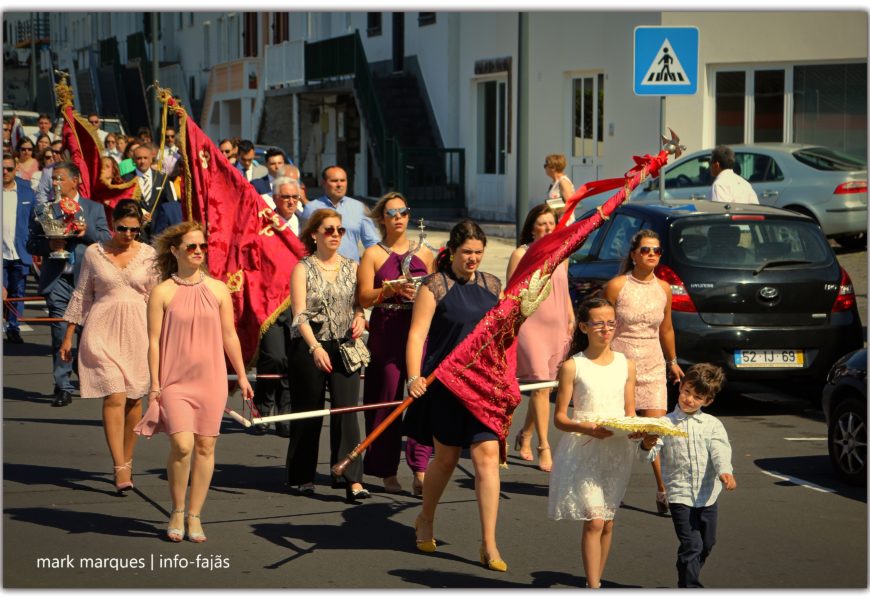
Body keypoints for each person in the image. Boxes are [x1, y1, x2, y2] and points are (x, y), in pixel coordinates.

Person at [135, 221, 254, 543]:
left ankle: (195, 515)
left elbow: (230, 335)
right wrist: (155, 385)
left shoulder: (218, 289)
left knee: (205, 446)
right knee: (182, 445)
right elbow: (153, 341)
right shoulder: (162, 292)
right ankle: (176, 509)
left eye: (203, 246)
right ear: (175, 251)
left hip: (212, 380)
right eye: (191, 246)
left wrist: (242, 375)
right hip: (174, 381)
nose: (199, 251)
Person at [404, 219, 507, 572]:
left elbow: (500, 337)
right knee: (446, 459)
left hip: (482, 386)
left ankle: (489, 542)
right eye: (467, 252)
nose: (473, 259)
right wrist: (414, 376)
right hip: (445, 385)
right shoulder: (434, 285)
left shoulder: (493, 285)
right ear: (453, 250)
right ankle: (426, 518)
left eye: (479, 253)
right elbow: (417, 335)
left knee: (488, 456)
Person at [59, 200, 158, 493]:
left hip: (138, 331)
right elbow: (82, 295)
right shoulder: (93, 253)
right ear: (112, 224)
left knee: (133, 400)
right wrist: (68, 335)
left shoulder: (149, 254)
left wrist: (164, 335)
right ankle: (119, 465)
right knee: (114, 393)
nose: (128, 234)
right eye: (122, 228)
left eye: (134, 230)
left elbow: (157, 298)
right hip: (101, 330)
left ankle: (127, 460)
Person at [548, 297, 642, 589]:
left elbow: (630, 413)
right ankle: (595, 587)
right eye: (599, 323)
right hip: (584, 449)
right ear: (584, 327)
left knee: (609, 520)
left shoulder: (626, 364)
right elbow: (560, 419)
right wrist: (585, 427)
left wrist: (640, 430)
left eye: (611, 323)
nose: (606, 329)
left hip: (616, 450)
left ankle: (594, 581)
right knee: (595, 519)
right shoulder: (573, 366)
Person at [285, 208, 370, 500]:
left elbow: (358, 305)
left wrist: (360, 317)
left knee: (347, 413)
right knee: (309, 412)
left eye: (340, 230)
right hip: (310, 345)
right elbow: (299, 315)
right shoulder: (303, 268)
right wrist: (315, 347)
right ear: (315, 234)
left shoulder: (352, 266)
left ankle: (351, 477)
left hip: (345, 345)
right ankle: (301, 475)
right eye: (329, 230)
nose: (336, 235)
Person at [358, 192, 434, 495]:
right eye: (392, 213)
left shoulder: (426, 253)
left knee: (421, 398)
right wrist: (389, 291)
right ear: (382, 219)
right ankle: (386, 470)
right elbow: (364, 297)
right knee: (386, 398)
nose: (399, 217)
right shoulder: (373, 254)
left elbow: (438, 290)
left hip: (418, 327)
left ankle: (420, 468)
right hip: (387, 328)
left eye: (404, 211)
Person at [604, 229, 684, 514]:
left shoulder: (663, 289)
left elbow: (667, 328)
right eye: (646, 250)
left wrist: (672, 361)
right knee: (622, 429)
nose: (652, 254)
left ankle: (663, 490)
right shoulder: (616, 286)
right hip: (622, 362)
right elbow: (604, 326)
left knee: (655, 429)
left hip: (652, 361)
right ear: (634, 254)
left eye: (657, 251)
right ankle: (613, 486)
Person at [640, 363, 736, 588]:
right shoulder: (665, 423)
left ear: (708, 401)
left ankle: (687, 569)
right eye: (687, 392)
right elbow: (650, 452)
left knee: (707, 543)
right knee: (692, 544)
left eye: (697, 397)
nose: (689, 400)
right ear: (681, 387)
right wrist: (646, 444)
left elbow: (720, 450)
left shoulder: (712, 425)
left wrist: (725, 471)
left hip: (708, 494)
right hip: (679, 495)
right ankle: (690, 587)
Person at [27, 162, 112, 408]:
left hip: (87, 282)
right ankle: (61, 386)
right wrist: (48, 247)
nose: (56, 183)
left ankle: (82, 371)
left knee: (88, 335)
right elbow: (31, 243)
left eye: (60, 178)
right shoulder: (45, 209)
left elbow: (107, 240)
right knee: (59, 333)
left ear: (75, 181)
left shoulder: (93, 209)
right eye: (53, 179)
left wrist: (87, 233)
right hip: (58, 281)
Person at [506, 204, 574, 472]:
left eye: (550, 223)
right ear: (531, 227)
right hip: (530, 327)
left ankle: (525, 433)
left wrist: (570, 317)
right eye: (541, 224)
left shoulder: (563, 253)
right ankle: (544, 446)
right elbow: (510, 294)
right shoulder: (521, 253)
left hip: (557, 326)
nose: (546, 228)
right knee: (541, 384)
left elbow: (564, 288)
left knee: (543, 388)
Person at [249, 176, 302, 437]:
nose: (291, 201)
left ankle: (286, 414)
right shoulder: (265, 227)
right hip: (271, 303)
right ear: (275, 198)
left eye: (294, 197)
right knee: (274, 357)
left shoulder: (307, 225)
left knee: (294, 361)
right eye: (285, 197)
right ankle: (263, 406)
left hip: (301, 302)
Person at [301, 166, 380, 262]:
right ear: (323, 183)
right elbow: (303, 244)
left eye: (342, 180)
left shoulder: (359, 208)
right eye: (334, 181)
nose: (339, 184)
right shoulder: (311, 209)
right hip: (320, 271)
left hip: (351, 272)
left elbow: (372, 242)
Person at [2, 153, 35, 344]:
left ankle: (13, 328)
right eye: (2, 169)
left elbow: (34, 220)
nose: (4, 172)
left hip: (19, 252)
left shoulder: (26, 193)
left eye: (8, 168)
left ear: (16, 169)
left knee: (17, 293)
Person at [124, 142, 177, 242]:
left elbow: (170, 204)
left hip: (160, 231)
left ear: (151, 159)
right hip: (136, 233)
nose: (142, 161)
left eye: (145, 158)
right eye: (139, 158)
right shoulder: (127, 179)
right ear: (133, 160)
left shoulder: (162, 178)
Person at [544, 153, 576, 223]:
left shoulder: (563, 181)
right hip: (558, 220)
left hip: (565, 222)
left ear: (553, 168)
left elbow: (570, 203)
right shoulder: (555, 182)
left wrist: (555, 213)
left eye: (546, 165)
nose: (544, 168)